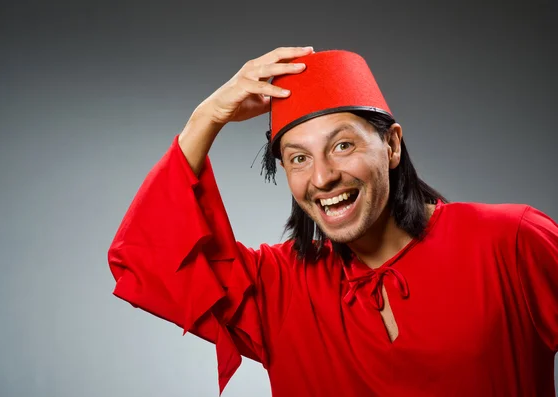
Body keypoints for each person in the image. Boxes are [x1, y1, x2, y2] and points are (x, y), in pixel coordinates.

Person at [107, 46, 558, 396]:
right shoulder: (278, 288)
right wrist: (207, 116)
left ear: (392, 146)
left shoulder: (509, 241)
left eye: (343, 146)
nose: (322, 177)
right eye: (298, 158)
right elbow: (147, 261)